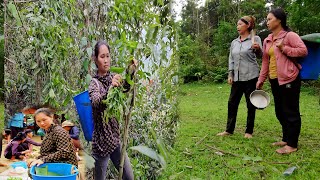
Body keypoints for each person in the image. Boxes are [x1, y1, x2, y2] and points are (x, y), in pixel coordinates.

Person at [256, 8, 307, 154]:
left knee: (291, 111)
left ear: (279, 20)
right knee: (280, 111)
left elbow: (303, 50)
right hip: (274, 79)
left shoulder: (290, 36)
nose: (267, 22)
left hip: (290, 77)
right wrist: (261, 79)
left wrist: (284, 48)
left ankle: (292, 144)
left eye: (269, 19)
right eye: (267, 20)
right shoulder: (268, 39)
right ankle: (286, 138)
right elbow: (266, 62)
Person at [89, 40, 135, 180]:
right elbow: (96, 101)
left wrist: (130, 72)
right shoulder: (94, 84)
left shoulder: (113, 78)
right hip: (101, 144)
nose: (106, 60)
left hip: (115, 141)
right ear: (96, 59)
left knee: (129, 177)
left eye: (108, 56)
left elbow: (125, 89)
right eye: (102, 57)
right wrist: (110, 90)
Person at [217, 16, 262, 138]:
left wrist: (257, 49)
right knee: (232, 103)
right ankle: (229, 130)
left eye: (240, 24)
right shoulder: (234, 42)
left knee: (250, 104)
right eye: (237, 24)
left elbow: (260, 56)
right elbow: (231, 58)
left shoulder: (255, 39)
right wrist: (230, 74)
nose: (237, 26)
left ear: (248, 25)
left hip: (251, 76)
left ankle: (249, 131)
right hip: (237, 77)